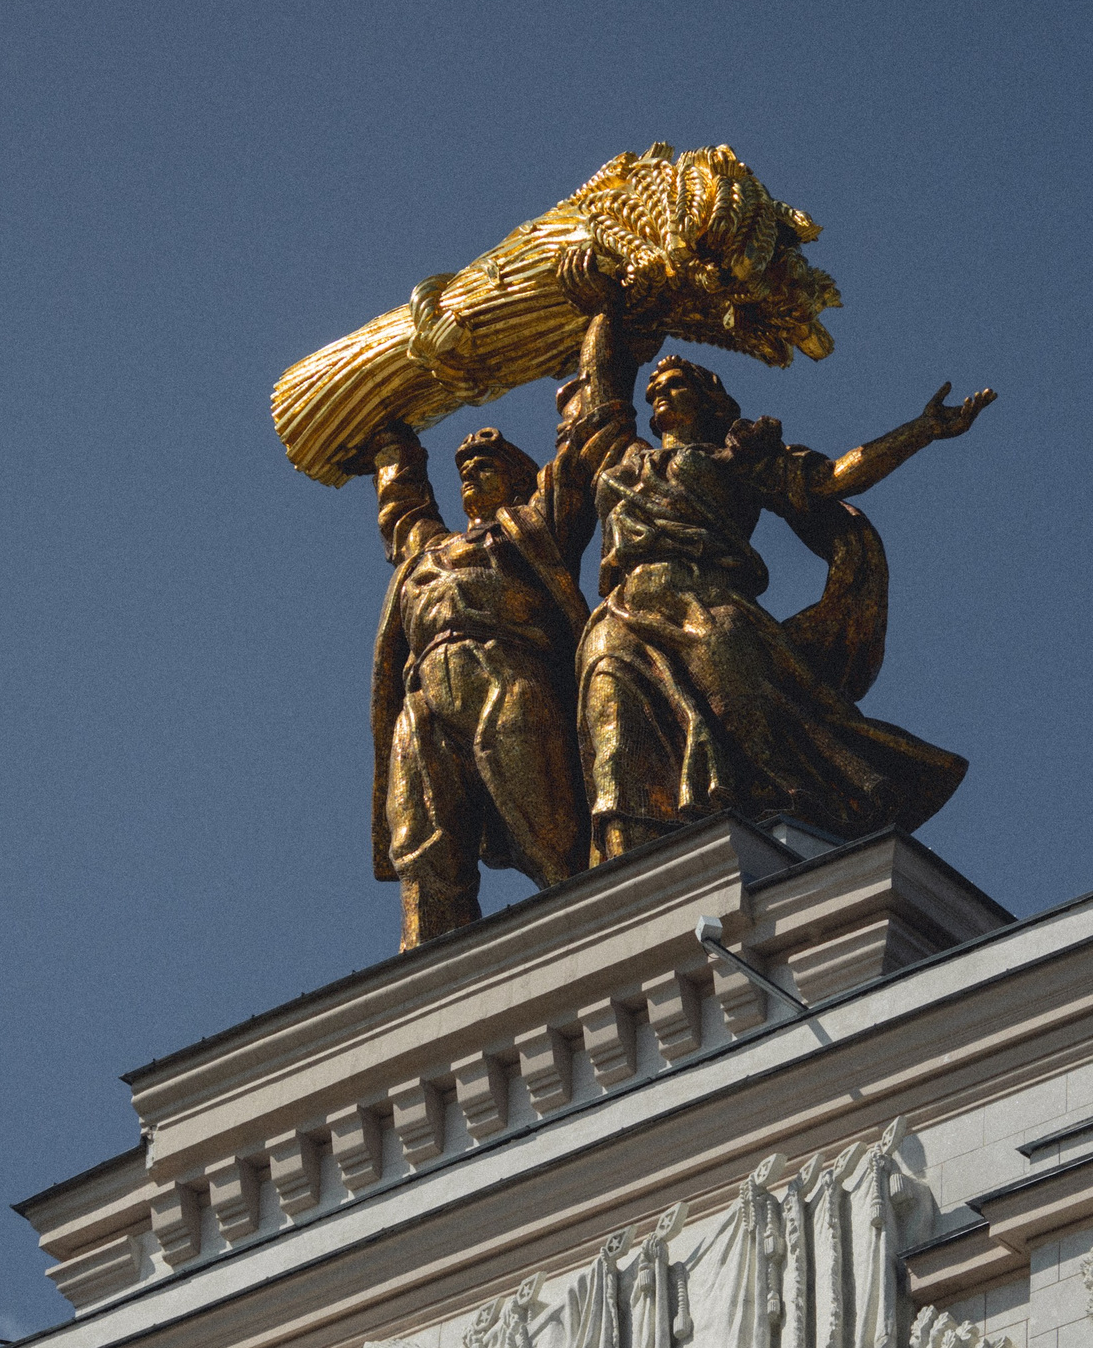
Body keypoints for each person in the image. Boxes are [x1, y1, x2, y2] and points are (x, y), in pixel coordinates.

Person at [577, 354, 994, 862]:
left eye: (676, 384)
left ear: (710, 399)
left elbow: (834, 478)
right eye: (654, 388)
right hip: (620, 613)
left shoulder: (743, 455)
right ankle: (621, 869)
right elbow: (598, 391)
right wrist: (603, 302)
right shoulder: (625, 460)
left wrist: (922, 430)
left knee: (755, 724)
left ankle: (801, 835)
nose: (659, 393)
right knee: (616, 740)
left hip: (706, 602)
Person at [357, 311, 656, 948]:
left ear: (521, 480)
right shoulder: (426, 551)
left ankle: (604, 935)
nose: (470, 473)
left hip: (508, 674)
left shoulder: (535, 524)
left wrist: (602, 326)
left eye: (487, 465)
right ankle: (426, 971)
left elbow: (582, 444)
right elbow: (402, 505)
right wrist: (386, 428)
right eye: (464, 469)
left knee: (547, 826)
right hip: (424, 697)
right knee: (423, 841)